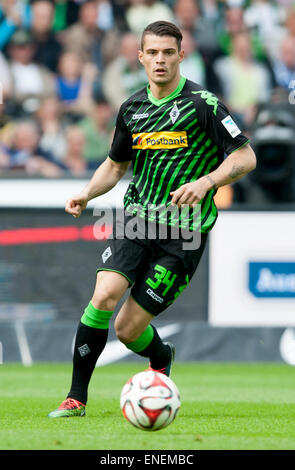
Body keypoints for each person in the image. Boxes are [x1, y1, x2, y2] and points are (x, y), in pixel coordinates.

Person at [48, 21, 256, 418]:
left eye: (168, 52)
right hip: (136, 220)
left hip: (185, 234)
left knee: (127, 329)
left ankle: (161, 358)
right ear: (140, 57)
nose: (160, 60)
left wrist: (206, 181)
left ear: (181, 55)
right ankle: (76, 398)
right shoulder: (132, 108)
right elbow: (115, 165)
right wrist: (86, 193)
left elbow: (246, 157)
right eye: (153, 53)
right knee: (103, 295)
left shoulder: (204, 105)